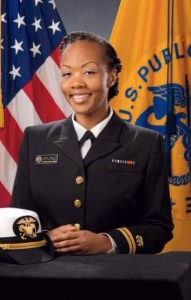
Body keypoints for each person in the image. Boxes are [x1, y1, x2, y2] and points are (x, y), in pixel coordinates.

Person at [12, 31, 173, 255]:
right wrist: (45, 237)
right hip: (47, 276)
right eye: (67, 73)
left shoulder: (145, 143)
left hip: (117, 280)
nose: (76, 83)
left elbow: (159, 228)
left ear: (112, 76)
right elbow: (19, 220)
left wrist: (108, 242)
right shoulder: (35, 139)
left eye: (89, 72)